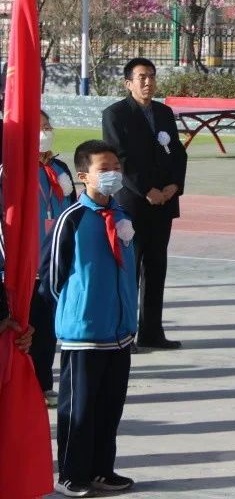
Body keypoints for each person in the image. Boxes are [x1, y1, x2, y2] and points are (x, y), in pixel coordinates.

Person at [41, 140, 138, 497]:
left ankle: (102, 469)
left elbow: (129, 269)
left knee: (110, 407)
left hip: (120, 330)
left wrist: (129, 312)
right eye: (104, 168)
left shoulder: (123, 215)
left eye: (116, 166)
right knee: (79, 408)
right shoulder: (73, 218)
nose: (113, 173)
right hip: (84, 332)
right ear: (83, 176)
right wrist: (76, 310)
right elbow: (52, 276)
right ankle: (71, 474)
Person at [102, 58, 188, 350]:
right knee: (130, 268)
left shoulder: (164, 113)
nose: (148, 82)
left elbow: (177, 152)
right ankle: (125, 331)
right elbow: (120, 159)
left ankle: (152, 331)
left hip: (164, 201)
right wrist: (146, 190)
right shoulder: (115, 114)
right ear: (128, 83)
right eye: (141, 77)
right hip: (133, 203)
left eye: (151, 76)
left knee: (156, 266)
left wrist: (173, 186)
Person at [30, 110, 77, 406]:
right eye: (39, 127)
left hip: (55, 264)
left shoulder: (59, 168)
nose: (45, 132)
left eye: (48, 126)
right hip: (24, 266)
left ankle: (44, 384)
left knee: (47, 330)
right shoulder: (12, 170)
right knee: (25, 329)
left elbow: (72, 212)